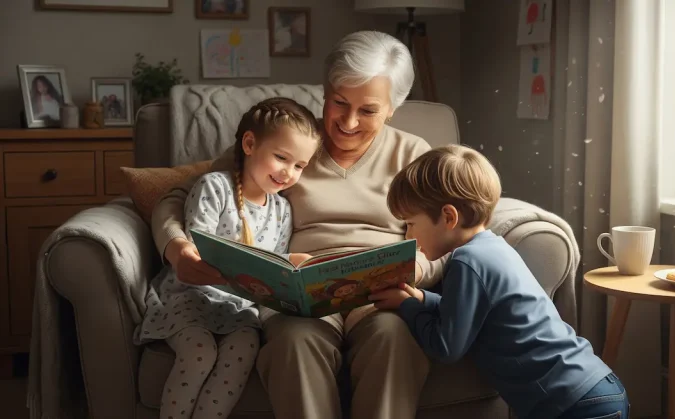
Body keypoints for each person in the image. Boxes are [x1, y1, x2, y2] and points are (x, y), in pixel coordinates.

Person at [151, 30, 448, 419]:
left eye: (369, 110)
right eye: (339, 102)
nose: (348, 121)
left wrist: (417, 272)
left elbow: (451, 236)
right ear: (325, 91)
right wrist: (176, 248)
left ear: (393, 107)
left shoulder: (413, 154)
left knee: (393, 340)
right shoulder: (288, 140)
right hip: (298, 293)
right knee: (293, 341)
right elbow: (175, 198)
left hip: (380, 294)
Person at [369, 145, 629, 419]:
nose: (409, 236)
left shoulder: (466, 263)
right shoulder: (493, 248)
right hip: (594, 389)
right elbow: (467, 312)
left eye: (410, 223)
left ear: (448, 217)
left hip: (573, 405)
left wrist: (409, 308)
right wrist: (423, 299)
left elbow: (446, 346)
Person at [134, 97, 322, 419]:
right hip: (190, 295)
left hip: (239, 305)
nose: (289, 172)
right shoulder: (214, 187)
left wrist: (293, 262)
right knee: (199, 353)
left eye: (299, 166)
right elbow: (199, 246)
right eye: (281, 157)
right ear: (250, 144)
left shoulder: (282, 210)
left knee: (245, 348)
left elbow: (271, 261)